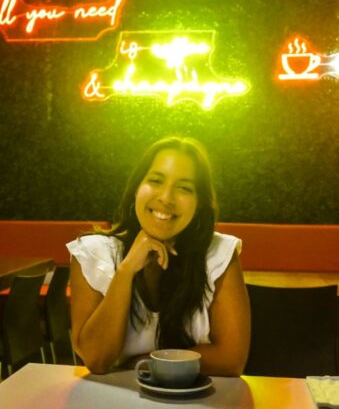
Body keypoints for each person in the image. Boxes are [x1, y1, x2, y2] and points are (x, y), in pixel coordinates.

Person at [67, 136, 250, 376]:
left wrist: (145, 363)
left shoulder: (218, 254)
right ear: (136, 189)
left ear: (200, 203)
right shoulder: (92, 253)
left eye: (184, 188)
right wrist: (126, 271)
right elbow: (97, 359)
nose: (166, 198)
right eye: (155, 181)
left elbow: (231, 360)